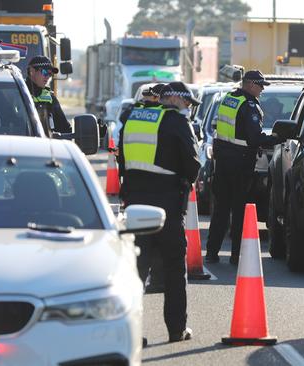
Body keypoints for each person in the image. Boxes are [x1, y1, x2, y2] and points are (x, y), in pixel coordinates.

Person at [119, 81, 201, 343]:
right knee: (175, 269)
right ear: (175, 99)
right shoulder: (176, 121)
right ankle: (176, 330)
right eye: (188, 103)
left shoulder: (132, 118)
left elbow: (122, 160)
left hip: (134, 206)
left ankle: (130, 332)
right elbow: (193, 166)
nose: (188, 108)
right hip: (167, 206)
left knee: (135, 270)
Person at [205, 70, 285, 264]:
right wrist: (276, 138)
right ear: (249, 84)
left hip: (223, 162)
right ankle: (235, 256)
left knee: (221, 210)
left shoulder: (229, 98)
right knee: (239, 209)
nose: (262, 90)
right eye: (260, 85)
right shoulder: (249, 106)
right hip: (240, 164)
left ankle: (212, 253)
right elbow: (254, 138)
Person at [118, 83, 166, 294]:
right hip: (159, 185)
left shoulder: (131, 116)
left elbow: (122, 154)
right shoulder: (166, 118)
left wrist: (123, 183)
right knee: (157, 236)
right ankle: (155, 281)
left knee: (138, 235)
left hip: (133, 184)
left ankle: (134, 280)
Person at [25, 56, 71, 135]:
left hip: (46, 145)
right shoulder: (17, 93)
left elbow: (65, 129)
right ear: (32, 71)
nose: (48, 77)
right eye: (45, 72)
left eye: (50, 74)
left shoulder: (50, 97)